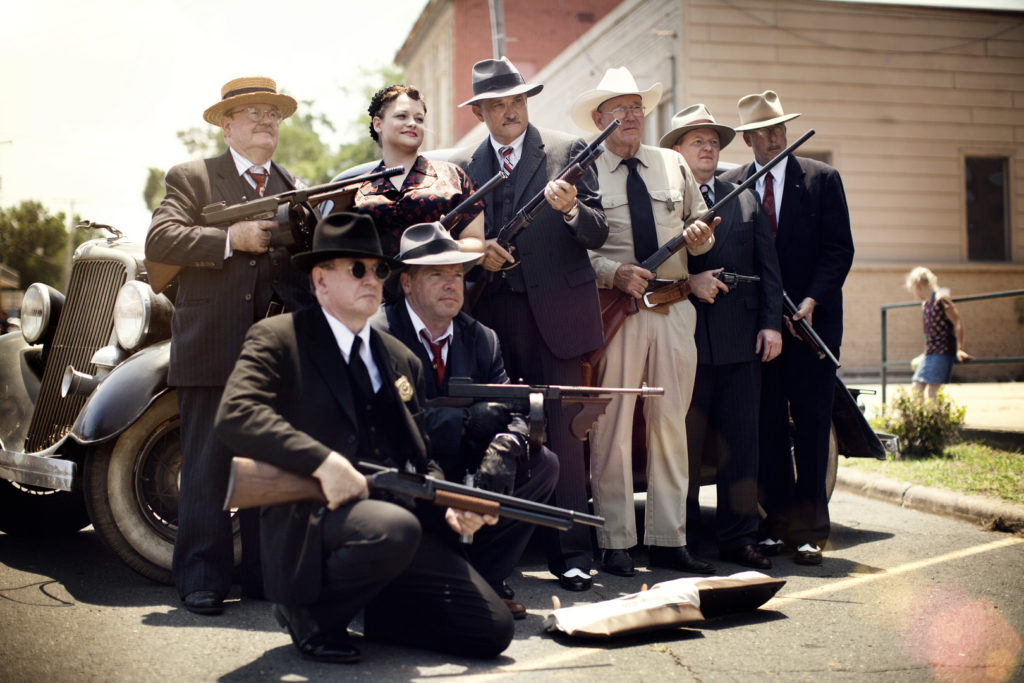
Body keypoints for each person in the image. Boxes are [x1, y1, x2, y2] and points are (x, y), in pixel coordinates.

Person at [214, 212, 513, 664]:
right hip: (313, 520)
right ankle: (309, 615)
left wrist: (450, 500)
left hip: (393, 521)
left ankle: (380, 612)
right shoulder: (279, 338)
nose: (371, 278)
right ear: (320, 280)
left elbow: (420, 454)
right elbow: (236, 416)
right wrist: (322, 462)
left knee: (491, 631)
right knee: (393, 529)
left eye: (378, 270)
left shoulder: (398, 358)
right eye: (357, 268)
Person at [145, 76, 315, 614]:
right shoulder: (193, 179)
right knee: (206, 468)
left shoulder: (296, 187)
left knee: (270, 467)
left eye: (274, 114)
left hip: (275, 354)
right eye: (253, 113)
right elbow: (160, 242)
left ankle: (265, 582)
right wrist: (229, 238)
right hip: (212, 343)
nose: (267, 122)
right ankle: (201, 579)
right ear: (226, 123)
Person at [450, 57, 608, 591]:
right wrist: (478, 256)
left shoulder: (566, 151)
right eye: (497, 105)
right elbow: (452, 242)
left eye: (517, 101)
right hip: (493, 317)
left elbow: (598, 232)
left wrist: (569, 211)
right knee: (499, 433)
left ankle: (570, 553)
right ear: (482, 113)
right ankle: (505, 556)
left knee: (562, 433)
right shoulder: (463, 166)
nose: (510, 112)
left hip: (557, 317)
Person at [570, 67, 719, 577]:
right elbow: (571, 256)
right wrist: (614, 274)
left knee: (671, 426)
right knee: (610, 427)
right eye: (618, 108)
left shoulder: (672, 163)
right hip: (619, 312)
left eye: (636, 107)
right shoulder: (583, 171)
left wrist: (701, 238)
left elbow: (703, 230)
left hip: (675, 309)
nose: (630, 116)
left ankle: (668, 539)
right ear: (599, 119)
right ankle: (614, 541)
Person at [370, 222, 559, 618]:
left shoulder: (481, 338)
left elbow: (515, 406)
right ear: (406, 283)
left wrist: (507, 447)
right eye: (436, 274)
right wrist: (464, 425)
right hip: (405, 468)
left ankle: (484, 579)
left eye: (457, 275)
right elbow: (384, 418)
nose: (451, 285)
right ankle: (416, 581)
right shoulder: (379, 333)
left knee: (542, 465)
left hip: (465, 463)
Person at [720, 90, 855, 566]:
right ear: (749, 140)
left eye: (780, 128)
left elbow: (840, 249)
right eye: (764, 132)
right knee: (768, 425)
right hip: (758, 327)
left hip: (812, 325)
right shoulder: (730, 184)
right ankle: (776, 525)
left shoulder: (821, 179)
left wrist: (813, 300)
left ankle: (811, 530)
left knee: (814, 425)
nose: (775, 137)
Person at [662, 104, 783, 570]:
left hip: (742, 340)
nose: (709, 147)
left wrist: (771, 322)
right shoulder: (664, 198)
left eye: (714, 141)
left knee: (741, 443)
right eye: (698, 140)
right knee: (685, 448)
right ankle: (685, 537)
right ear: (676, 151)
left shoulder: (745, 193)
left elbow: (768, 266)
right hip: (684, 339)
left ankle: (738, 538)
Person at [352, 84, 484, 257]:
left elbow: (477, 243)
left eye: (419, 119)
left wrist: (445, 245)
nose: (412, 124)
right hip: (378, 282)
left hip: (439, 281)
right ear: (378, 124)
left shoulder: (453, 177)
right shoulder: (356, 189)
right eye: (401, 116)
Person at [905, 266, 972, 401]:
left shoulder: (941, 300)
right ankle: (922, 420)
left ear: (918, 287)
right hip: (930, 352)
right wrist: (924, 352)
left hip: (942, 351)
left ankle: (933, 419)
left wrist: (959, 349)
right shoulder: (925, 305)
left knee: (932, 391)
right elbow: (928, 333)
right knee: (916, 387)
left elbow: (957, 322)